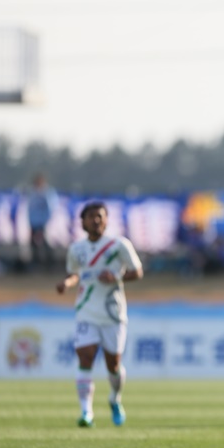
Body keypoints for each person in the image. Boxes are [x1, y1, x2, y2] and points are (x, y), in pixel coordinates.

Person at [56, 201, 143, 428]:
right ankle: (86, 412)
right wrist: (67, 283)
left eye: (100, 217)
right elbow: (76, 274)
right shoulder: (76, 249)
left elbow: (137, 272)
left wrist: (116, 277)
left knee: (113, 365)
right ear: (82, 222)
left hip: (113, 313)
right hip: (86, 311)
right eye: (91, 217)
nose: (96, 220)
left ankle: (115, 399)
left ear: (106, 221)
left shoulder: (118, 245)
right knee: (85, 357)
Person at [28, 172, 59, 270]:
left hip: (44, 223)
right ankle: (36, 262)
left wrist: (46, 221)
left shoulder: (48, 193)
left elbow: (51, 208)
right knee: (34, 243)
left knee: (45, 242)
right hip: (34, 223)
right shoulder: (33, 193)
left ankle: (50, 262)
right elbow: (31, 209)